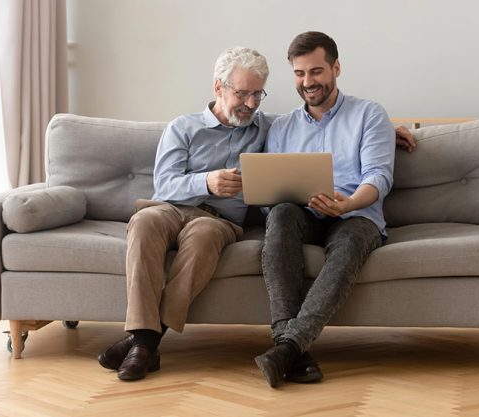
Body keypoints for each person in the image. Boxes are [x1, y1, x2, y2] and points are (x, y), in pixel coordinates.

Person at [97, 46, 274, 381]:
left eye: (257, 94)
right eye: (242, 93)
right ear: (218, 88)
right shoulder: (184, 127)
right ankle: (145, 343)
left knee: (205, 235)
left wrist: (387, 127)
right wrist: (206, 181)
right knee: (144, 221)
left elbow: (317, 123)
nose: (251, 104)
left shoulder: (267, 129)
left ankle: (144, 341)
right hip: (169, 209)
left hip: (218, 221)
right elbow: (164, 184)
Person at [254, 31, 398, 388]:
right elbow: (271, 185)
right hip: (304, 214)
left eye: (316, 72)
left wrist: (348, 203)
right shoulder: (281, 127)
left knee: (352, 239)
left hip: (356, 214)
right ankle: (291, 347)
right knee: (281, 213)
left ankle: (287, 346)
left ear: (336, 67)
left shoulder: (369, 114)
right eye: (300, 74)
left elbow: (379, 176)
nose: (308, 82)